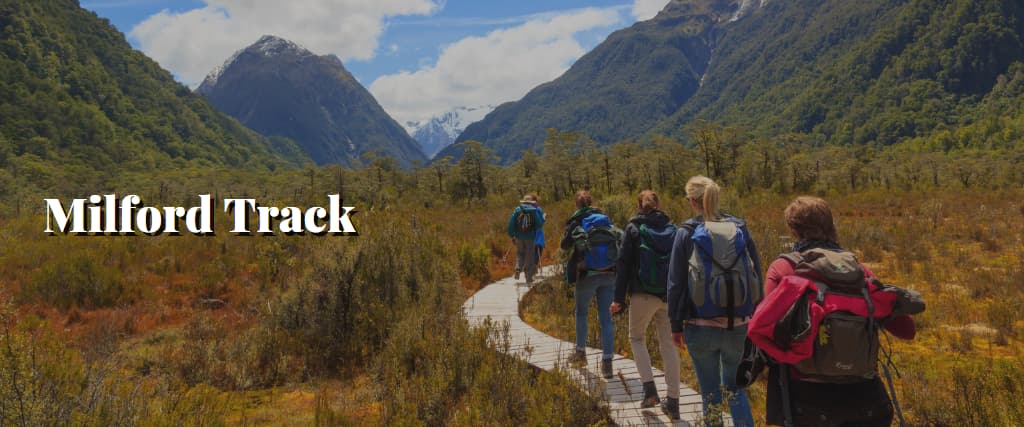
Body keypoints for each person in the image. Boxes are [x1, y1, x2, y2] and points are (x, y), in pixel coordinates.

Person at [761, 196, 917, 426]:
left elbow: (769, 330)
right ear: (831, 226)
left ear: (793, 230)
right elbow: (907, 329)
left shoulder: (784, 269)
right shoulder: (858, 270)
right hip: (865, 398)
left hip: (806, 400)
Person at [667, 176, 759, 427]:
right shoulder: (739, 228)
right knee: (736, 389)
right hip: (739, 326)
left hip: (700, 326)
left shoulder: (685, 232)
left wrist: (676, 325)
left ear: (692, 201)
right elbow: (756, 276)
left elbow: (675, 283)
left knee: (710, 394)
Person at [610, 190, 682, 420]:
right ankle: (673, 401)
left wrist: (618, 299)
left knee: (637, 339)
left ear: (640, 206)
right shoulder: (674, 230)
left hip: (642, 294)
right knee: (669, 345)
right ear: (658, 205)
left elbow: (624, 265)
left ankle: (650, 391)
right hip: (668, 296)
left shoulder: (633, 229)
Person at [560, 190, 616, 378]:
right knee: (606, 318)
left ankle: (580, 352)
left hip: (586, 274)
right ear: (592, 202)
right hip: (609, 273)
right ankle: (607, 363)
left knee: (582, 313)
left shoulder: (575, 221)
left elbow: (564, 245)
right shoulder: (605, 219)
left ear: (577, 205)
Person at [508, 194, 544, 284]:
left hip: (519, 237)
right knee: (529, 256)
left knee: (520, 254)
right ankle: (529, 277)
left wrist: (512, 234)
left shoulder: (517, 210)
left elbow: (511, 223)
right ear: (531, 202)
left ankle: (518, 268)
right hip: (530, 237)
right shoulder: (533, 211)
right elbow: (539, 224)